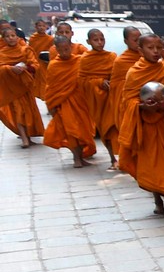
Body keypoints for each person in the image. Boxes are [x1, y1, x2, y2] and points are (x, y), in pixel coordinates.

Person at [119, 33, 164, 214]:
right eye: (150, 48)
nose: (156, 51)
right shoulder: (134, 73)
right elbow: (128, 101)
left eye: (159, 48)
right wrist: (142, 106)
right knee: (151, 164)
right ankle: (158, 201)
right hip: (147, 126)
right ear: (140, 50)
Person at [42, 35, 97, 168]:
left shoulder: (79, 60)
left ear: (71, 47)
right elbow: (50, 86)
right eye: (61, 50)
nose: (65, 52)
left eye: (67, 49)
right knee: (72, 131)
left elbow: (87, 76)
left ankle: (81, 157)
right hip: (64, 103)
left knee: (84, 129)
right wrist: (52, 104)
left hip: (81, 101)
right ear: (56, 49)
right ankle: (76, 158)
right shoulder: (54, 65)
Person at [104, 26, 142, 168]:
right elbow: (118, 88)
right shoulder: (121, 62)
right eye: (135, 40)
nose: (138, 43)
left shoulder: (147, 57)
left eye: (140, 39)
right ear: (126, 41)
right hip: (129, 105)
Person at [0, 25, 44, 147]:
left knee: (28, 112)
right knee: (18, 112)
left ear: (17, 37)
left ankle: (28, 136)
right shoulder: (2, 53)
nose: (10, 38)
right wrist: (10, 68)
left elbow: (35, 65)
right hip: (12, 89)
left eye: (12, 36)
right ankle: (24, 138)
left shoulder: (26, 50)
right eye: (7, 37)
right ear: (3, 39)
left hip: (25, 87)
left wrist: (25, 68)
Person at [78, 30, 117, 167]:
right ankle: (113, 158)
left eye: (102, 39)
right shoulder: (85, 59)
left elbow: (118, 74)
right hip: (98, 100)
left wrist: (112, 82)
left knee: (116, 128)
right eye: (96, 40)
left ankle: (122, 158)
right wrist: (99, 82)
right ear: (88, 42)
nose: (100, 42)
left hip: (113, 98)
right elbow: (82, 81)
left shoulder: (112, 56)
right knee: (105, 129)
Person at [27, 20, 53, 101]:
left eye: (43, 26)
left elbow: (52, 51)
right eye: (39, 26)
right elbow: (30, 50)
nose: (41, 27)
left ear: (46, 27)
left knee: (46, 82)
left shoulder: (50, 39)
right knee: (37, 82)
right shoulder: (32, 39)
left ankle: (47, 99)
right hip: (35, 63)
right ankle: (42, 96)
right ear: (36, 27)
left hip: (45, 63)